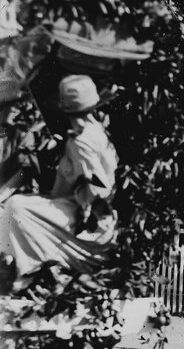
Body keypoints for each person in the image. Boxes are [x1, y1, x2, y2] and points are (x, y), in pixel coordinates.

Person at [0, 74, 118, 280]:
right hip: (81, 207)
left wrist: (86, 202)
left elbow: (98, 187)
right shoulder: (93, 132)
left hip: (88, 217)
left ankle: (25, 273)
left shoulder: (80, 141)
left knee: (16, 207)